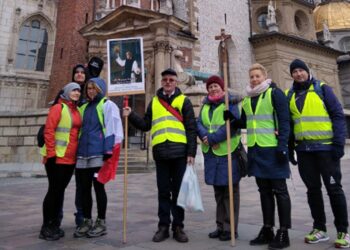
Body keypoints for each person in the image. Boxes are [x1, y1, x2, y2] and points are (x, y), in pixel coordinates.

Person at [123, 68, 197, 243]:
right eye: (165, 80)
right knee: (163, 192)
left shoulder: (184, 101)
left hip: (179, 153)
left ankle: (178, 226)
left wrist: (191, 152)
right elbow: (146, 124)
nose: (168, 82)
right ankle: (163, 226)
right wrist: (131, 114)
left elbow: (191, 128)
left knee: (179, 192)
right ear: (161, 82)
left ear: (176, 82)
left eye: (171, 80)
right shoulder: (154, 102)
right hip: (161, 153)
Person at [287, 59, 349, 248]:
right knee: (312, 191)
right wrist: (290, 148)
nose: (298, 74)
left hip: (326, 149)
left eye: (301, 70)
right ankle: (319, 229)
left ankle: (343, 232)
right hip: (304, 151)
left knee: (334, 189)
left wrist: (339, 144)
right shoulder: (290, 95)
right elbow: (290, 124)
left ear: (307, 71)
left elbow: (338, 115)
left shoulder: (323, 89)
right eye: (295, 71)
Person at [234, 63, 291, 249]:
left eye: (257, 76)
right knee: (264, 191)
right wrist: (231, 117)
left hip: (273, 150)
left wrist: (283, 146)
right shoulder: (248, 99)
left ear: (264, 76)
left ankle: (283, 232)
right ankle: (267, 229)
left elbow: (284, 121)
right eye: (251, 77)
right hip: (256, 150)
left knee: (280, 191)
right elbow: (244, 121)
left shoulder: (274, 94)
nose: (254, 79)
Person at [73, 77, 123, 238]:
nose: (91, 91)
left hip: (98, 154)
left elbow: (112, 128)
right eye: (88, 88)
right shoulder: (83, 107)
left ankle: (101, 221)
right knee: (83, 190)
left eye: (94, 88)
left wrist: (108, 151)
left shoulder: (107, 105)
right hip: (82, 155)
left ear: (100, 89)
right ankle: (87, 220)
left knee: (98, 188)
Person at [197, 75, 241, 241]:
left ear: (222, 88)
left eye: (216, 86)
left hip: (228, 152)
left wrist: (214, 138)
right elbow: (199, 122)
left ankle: (230, 229)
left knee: (230, 192)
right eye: (210, 87)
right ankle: (220, 225)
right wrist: (205, 137)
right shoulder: (205, 105)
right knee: (218, 192)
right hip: (212, 153)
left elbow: (233, 124)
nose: (213, 89)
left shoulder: (231, 103)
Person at [39, 82, 82, 241]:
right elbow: (49, 131)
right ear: (66, 92)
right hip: (56, 158)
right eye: (73, 90)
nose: (77, 93)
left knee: (59, 192)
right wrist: (51, 154)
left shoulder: (76, 110)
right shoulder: (58, 108)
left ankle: (54, 224)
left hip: (70, 159)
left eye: (78, 90)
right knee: (53, 192)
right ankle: (46, 227)